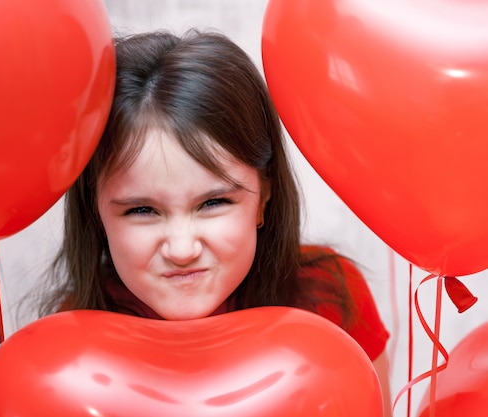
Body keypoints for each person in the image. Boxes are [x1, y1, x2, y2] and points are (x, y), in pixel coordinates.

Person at [35, 29, 391, 415]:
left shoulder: (328, 300)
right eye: (142, 211)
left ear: (263, 197)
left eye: (214, 202)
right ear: (96, 213)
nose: (182, 250)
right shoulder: (74, 353)